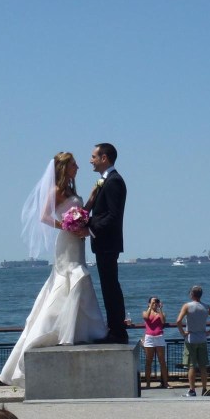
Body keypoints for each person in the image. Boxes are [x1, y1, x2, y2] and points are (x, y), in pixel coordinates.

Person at [0, 152, 107, 387]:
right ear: (64, 167)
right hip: (67, 241)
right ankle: (56, 329)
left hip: (77, 241)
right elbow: (44, 216)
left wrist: (91, 198)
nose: (78, 167)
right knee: (72, 277)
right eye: (74, 164)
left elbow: (81, 212)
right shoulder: (56, 190)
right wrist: (67, 226)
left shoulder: (70, 190)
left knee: (78, 277)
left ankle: (77, 330)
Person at [84, 143, 128, 344]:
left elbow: (112, 216)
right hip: (104, 244)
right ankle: (115, 329)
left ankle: (117, 332)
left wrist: (89, 226)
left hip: (107, 243)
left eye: (94, 156)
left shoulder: (114, 181)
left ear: (104, 158)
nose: (90, 160)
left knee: (111, 288)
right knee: (109, 287)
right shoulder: (108, 180)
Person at [176, 285, 210, 397]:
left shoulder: (187, 306)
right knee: (203, 366)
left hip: (191, 339)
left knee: (191, 366)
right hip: (202, 338)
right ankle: (205, 389)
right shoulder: (206, 307)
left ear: (192, 294)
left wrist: (183, 332)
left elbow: (178, 321)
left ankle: (192, 390)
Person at [141, 296, 170, 389]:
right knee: (148, 361)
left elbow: (163, 321)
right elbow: (146, 317)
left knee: (162, 361)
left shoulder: (161, 313)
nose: (155, 304)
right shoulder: (145, 312)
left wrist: (160, 309)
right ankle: (148, 384)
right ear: (149, 303)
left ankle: (165, 383)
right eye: (153, 302)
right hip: (149, 338)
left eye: (156, 302)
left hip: (159, 337)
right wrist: (150, 307)